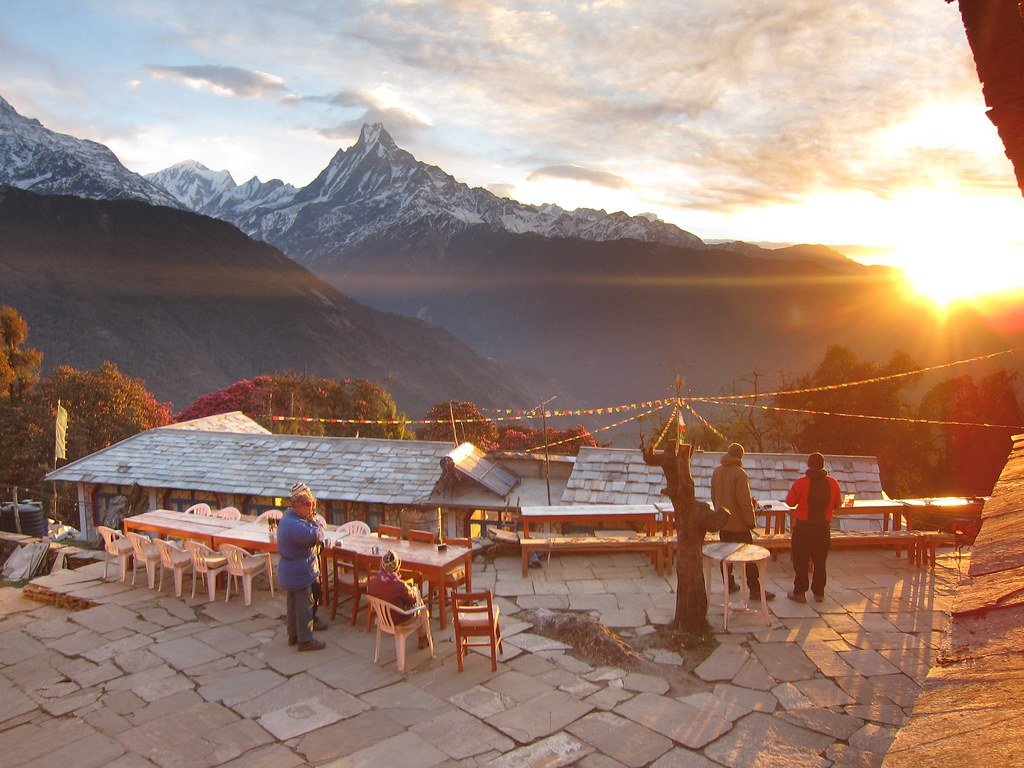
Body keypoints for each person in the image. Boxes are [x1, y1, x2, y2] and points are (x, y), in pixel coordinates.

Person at [711, 443, 775, 601]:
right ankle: (755, 589)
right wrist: (750, 521)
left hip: (723, 522)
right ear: (740, 456)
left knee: (726, 556)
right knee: (749, 557)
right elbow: (744, 501)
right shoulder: (739, 474)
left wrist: (719, 515)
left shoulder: (717, 471)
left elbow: (714, 496)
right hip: (739, 524)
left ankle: (729, 584)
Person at [785, 452, 842, 603]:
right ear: (823, 465)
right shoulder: (833, 483)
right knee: (820, 561)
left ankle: (799, 592)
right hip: (823, 528)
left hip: (803, 528)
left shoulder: (801, 482)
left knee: (801, 561)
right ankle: (819, 592)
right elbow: (838, 504)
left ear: (809, 465)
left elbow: (790, 502)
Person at [277, 482, 328, 651]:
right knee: (305, 606)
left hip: (289, 570)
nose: (310, 507)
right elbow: (314, 536)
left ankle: (293, 635)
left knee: (292, 605)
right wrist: (314, 522)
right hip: (299, 571)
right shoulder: (295, 524)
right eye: (308, 504)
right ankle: (305, 640)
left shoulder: (288, 519)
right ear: (298, 504)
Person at [367, 550, 430, 649]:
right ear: (397, 568)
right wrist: (413, 590)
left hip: (383, 619)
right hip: (400, 620)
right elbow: (413, 600)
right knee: (420, 602)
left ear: (382, 566)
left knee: (410, 595)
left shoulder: (372, 583)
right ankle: (423, 637)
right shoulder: (400, 586)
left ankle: (423, 636)